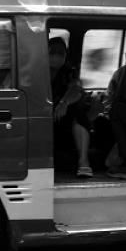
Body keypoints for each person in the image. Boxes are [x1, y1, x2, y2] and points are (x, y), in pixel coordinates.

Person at [49, 37, 93, 178]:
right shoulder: (36, 71)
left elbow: (76, 89)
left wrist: (64, 103)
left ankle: (83, 162)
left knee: (77, 112)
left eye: (61, 52)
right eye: (53, 51)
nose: (57, 55)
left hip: (63, 121)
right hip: (42, 119)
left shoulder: (68, 72)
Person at [103, 44, 126, 179]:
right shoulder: (121, 73)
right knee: (104, 121)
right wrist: (107, 112)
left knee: (117, 111)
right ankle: (123, 157)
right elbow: (109, 97)